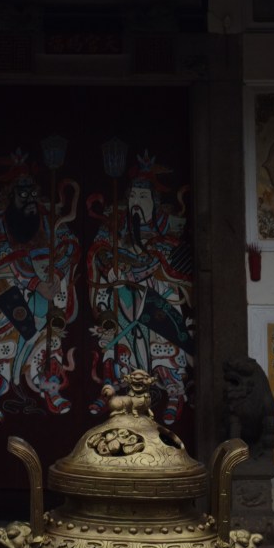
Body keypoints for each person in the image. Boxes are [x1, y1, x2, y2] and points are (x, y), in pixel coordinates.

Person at [0, 151, 80, 426]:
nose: (30, 199)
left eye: (32, 192)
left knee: (50, 337)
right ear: (10, 194)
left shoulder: (47, 217)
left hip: (47, 284)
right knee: (2, 334)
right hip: (6, 284)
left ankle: (49, 386)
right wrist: (34, 283)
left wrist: (57, 273)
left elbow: (69, 244)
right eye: (23, 193)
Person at [87, 150, 193, 422]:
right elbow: (100, 251)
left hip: (158, 293)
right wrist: (110, 268)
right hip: (123, 295)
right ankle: (111, 391)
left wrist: (143, 267)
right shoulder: (115, 229)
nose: (137, 202)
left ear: (154, 202)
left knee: (164, 342)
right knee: (116, 341)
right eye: (133, 196)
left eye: (143, 197)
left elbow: (171, 260)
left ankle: (174, 393)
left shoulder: (167, 230)